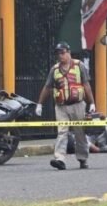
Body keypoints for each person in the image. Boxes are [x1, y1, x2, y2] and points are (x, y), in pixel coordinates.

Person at [36, 41, 96, 170]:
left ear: (69, 53)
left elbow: (86, 85)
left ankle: (82, 158)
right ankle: (60, 159)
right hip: (61, 106)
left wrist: (92, 103)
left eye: (63, 53)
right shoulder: (54, 70)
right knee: (62, 132)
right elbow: (47, 87)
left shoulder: (79, 66)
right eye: (58, 53)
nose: (60, 56)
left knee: (80, 133)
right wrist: (39, 104)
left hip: (78, 105)